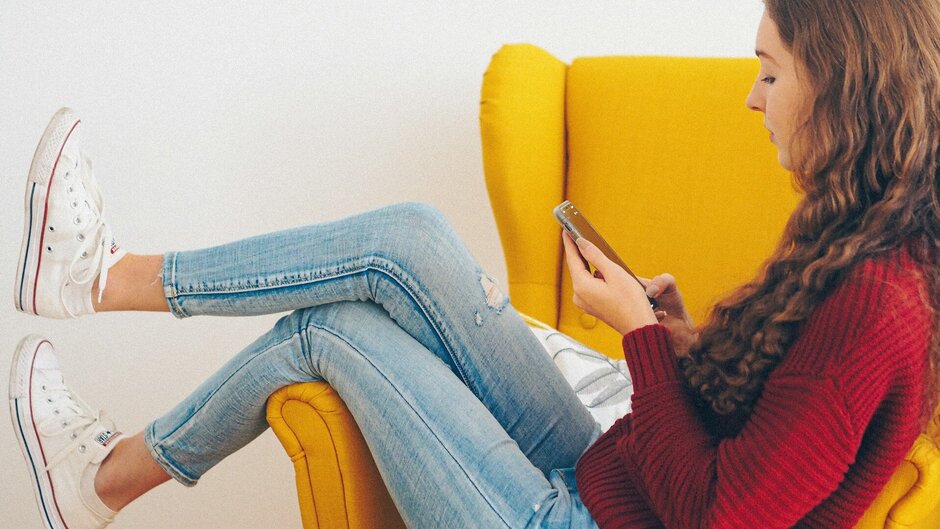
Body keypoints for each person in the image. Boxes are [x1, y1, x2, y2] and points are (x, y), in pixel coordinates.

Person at [9, 1, 939, 527]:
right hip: (614, 479)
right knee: (407, 236)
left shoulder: (878, 299)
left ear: (843, 85)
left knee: (333, 332)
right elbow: (770, 426)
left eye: (771, 73)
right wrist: (682, 334)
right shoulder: (853, 241)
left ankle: (102, 475)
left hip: (589, 520)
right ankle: (101, 280)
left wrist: (642, 338)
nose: (751, 96)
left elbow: (723, 514)